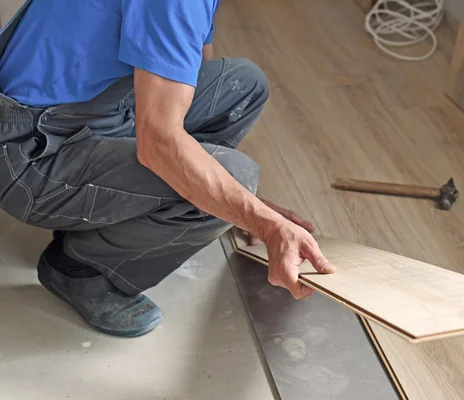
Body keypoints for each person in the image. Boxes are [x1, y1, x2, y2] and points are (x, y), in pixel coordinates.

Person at [0, 0, 335, 337]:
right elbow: (162, 145)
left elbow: (189, 73)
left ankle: (123, 212)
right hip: (31, 152)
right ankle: (79, 268)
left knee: (244, 86)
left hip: (92, 107)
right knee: (232, 175)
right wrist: (262, 221)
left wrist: (234, 201)